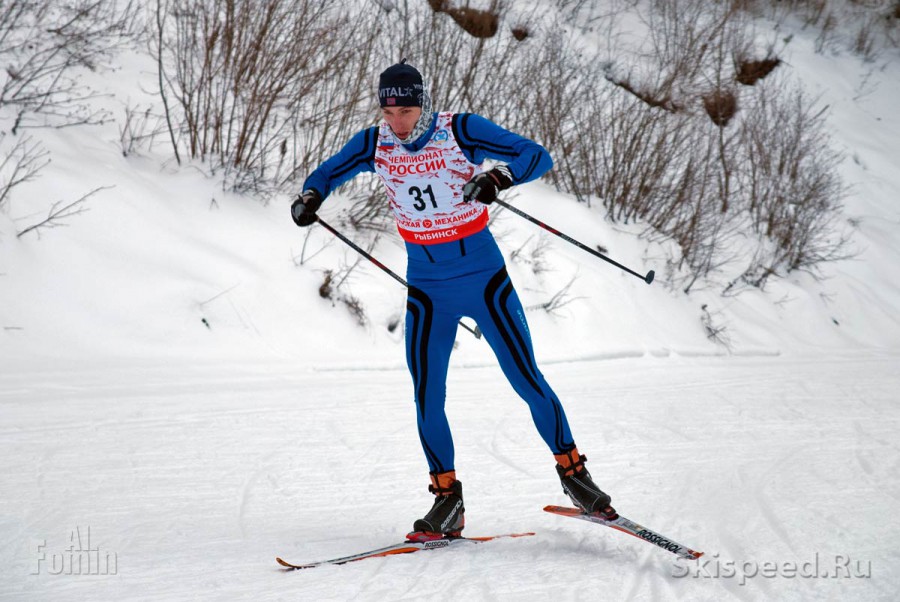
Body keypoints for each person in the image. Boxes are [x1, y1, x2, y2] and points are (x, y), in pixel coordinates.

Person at [292, 59, 615, 540]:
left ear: (420, 104)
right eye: (387, 110)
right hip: (427, 286)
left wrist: (498, 178)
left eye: (403, 109)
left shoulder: (459, 130)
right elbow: (328, 171)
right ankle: (447, 502)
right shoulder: (374, 143)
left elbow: (537, 156)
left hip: (483, 279)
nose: (395, 120)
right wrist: (311, 194)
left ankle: (575, 476)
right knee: (427, 394)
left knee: (526, 379)